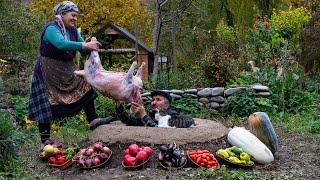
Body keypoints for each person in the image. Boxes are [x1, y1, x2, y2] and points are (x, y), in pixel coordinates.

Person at [27, 1, 109, 149]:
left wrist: (91, 45)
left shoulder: (72, 30)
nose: (75, 18)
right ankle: (45, 140)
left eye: (76, 15)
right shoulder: (51, 28)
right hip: (47, 72)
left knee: (85, 83)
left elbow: (83, 48)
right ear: (62, 14)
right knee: (46, 103)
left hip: (67, 69)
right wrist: (84, 45)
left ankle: (93, 120)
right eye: (73, 15)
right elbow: (61, 44)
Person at [116, 90, 194, 127]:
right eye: (153, 100)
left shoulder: (173, 116)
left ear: (167, 104)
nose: (153, 102)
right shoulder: (151, 115)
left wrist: (143, 115)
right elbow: (128, 121)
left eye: (158, 99)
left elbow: (157, 131)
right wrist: (118, 103)